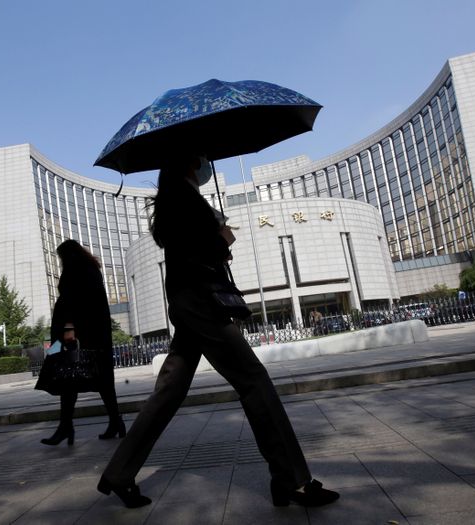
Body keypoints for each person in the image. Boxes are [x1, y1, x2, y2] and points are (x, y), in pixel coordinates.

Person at [97, 157, 339, 508]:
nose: (206, 162)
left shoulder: (174, 197)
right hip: (201, 303)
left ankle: (119, 474)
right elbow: (198, 251)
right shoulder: (184, 199)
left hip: (188, 303)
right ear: (191, 163)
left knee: (168, 391)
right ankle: (291, 480)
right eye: (203, 156)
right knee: (254, 380)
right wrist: (222, 238)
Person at [40, 239, 124, 446]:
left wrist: (69, 330)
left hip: (73, 336)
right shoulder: (91, 269)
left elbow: (71, 303)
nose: (60, 262)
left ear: (67, 255)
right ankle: (115, 422)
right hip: (94, 336)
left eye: (61, 257)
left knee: (66, 378)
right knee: (101, 379)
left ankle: (66, 427)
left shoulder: (75, 270)